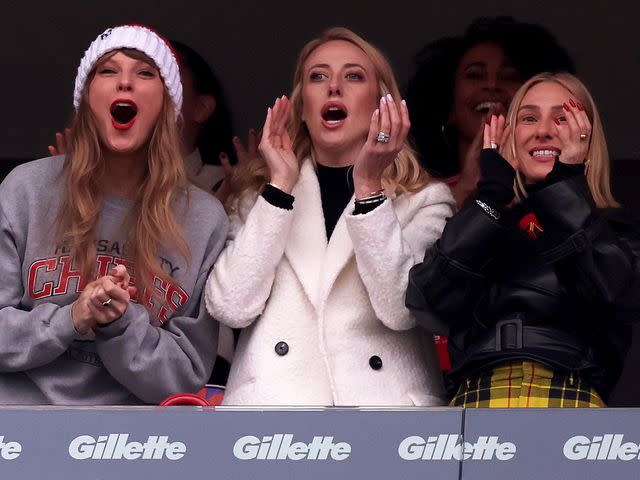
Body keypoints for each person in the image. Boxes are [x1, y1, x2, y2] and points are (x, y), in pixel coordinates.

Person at [204, 27, 454, 406]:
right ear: (302, 106)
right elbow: (229, 306)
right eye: (317, 77)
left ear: (381, 105)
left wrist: (369, 187)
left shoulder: (427, 200)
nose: (333, 87)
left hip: (383, 417)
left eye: (353, 76)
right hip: (274, 419)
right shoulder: (258, 195)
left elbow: (400, 310)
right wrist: (279, 188)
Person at [0, 24, 228, 405]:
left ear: (168, 103)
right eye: (108, 71)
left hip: (132, 446)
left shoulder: (204, 219)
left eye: (144, 73)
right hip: (19, 435)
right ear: (88, 98)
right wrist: (72, 317)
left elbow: (186, 377)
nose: (125, 83)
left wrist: (122, 323)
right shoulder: (25, 190)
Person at [406, 72, 640, 408]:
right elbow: (426, 303)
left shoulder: (614, 229)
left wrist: (565, 187)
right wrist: (491, 195)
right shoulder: (485, 221)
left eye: (562, 118)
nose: (543, 130)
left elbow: (619, 295)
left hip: (571, 402)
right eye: (529, 118)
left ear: (587, 138)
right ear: (510, 136)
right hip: (476, 402)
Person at [406, 16, 575, 208]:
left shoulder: (560, 187)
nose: (492, 85)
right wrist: (464, 191)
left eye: (509, 77)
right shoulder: (423, 200)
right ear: (449, 105)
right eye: (475, 75)